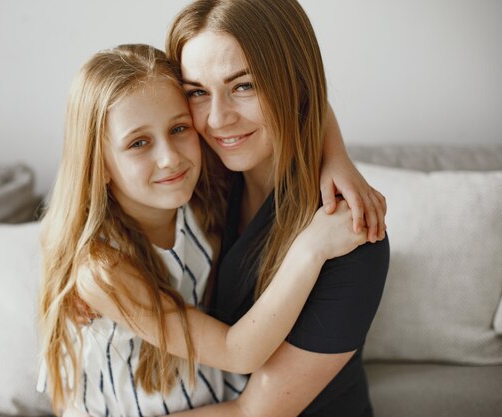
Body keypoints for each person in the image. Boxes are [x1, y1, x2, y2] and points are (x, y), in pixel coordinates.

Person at [37, 43, 369, 417]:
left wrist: (337, 158)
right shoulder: (102, 270)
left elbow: (296, 103)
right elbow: (237, 352)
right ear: (98, 165)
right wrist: (311, 250)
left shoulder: (201, 194)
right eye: (138, 143)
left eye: (179, 128)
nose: (169, 157)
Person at [164, 0, 390, 416]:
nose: (217, 119)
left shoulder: (349, 234)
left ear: (295, 83)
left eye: (243, 86)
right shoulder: (196, 174)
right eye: (197, 92)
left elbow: (255, 413)